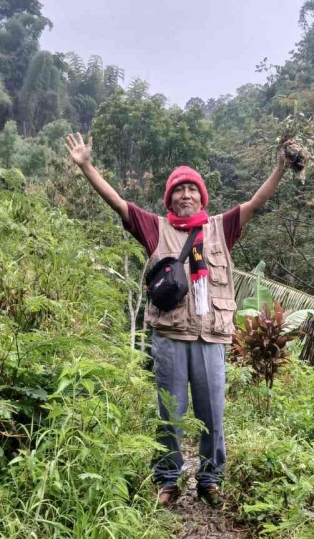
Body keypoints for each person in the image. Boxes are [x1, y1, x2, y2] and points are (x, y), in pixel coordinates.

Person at [65, 132, 301, 506]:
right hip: (170, 336)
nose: (186, 195)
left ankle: (210, 480)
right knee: (169, 413)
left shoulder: (222, 228)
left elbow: (257, 201)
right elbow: (117, 202)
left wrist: (280, 168)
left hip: (211, 338)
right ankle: (168, 479)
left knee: (212, 414)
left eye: (192, 189)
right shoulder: (154, 227)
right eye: (179, 190)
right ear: (169, 197)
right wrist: (86, 166)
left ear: (202, 196)